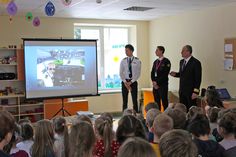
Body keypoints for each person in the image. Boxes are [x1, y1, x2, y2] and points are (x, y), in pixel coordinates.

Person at [170, 45, 202, 110]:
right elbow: (182, 74)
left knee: (191, 110)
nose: (181, 52)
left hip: (191, 92)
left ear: (188, 52)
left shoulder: (196, 62)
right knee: (182, 109)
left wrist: (196, 92)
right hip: (182, 91)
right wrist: (175, 74)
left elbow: (198, 78)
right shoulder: (181, 62)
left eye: (183, 51)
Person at [120, 44, 141, 112]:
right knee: (124, 101)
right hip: (125, 82)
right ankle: (124, 116)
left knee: (134, 100)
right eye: (125, 50)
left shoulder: (137, 61)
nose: (125, 52)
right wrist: (125, 82)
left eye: (127, 50)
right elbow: (121, 73)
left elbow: (138, 74)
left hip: (133, 82)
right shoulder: (123, 61)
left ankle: (136, 116)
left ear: (131, 51)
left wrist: (131, 82)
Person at [151, 46, 171, 110]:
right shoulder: (155, 62)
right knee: (156, 102)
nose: (155, 52)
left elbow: (165, 74)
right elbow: (152, 73)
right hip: (155, 85)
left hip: (162, 85)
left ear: (161, 51)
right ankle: (157, 116)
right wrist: (153, 82)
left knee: (164, 102)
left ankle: (166, 116)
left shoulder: (166, 61)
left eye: (157, 50)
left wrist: (157, 83)